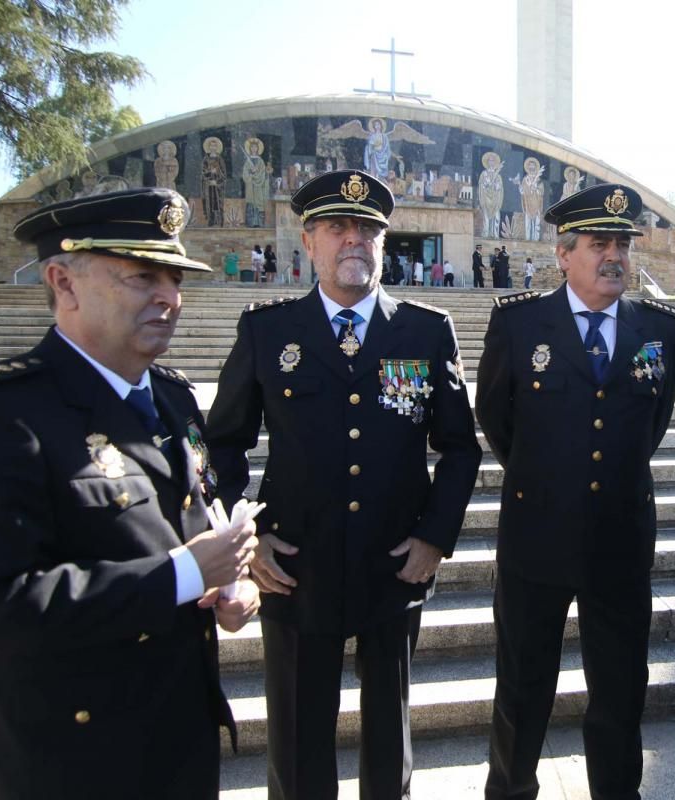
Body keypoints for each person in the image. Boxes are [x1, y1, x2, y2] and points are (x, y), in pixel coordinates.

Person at [0, 187, 261, 799]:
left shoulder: (170, 398)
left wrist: (232, 583)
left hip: (180, 740)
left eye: (174, 278)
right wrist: (182, 575)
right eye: (142, 277)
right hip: (73, 760)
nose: (169, 297)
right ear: (63, 282)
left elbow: (190, 524)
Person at [205, 170, 482, 800]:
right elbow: (224, 442)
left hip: (394, 565)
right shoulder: (268, 332)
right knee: (299, 745)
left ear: (384, 242)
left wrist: (434, 538)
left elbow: (460, 448)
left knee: (390, 738)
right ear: (308, 241)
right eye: (338, 227)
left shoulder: (425, 330)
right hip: (297, 566)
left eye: (368, 229)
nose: (353, 240)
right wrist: (249, 543)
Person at [476, 184, 675, 800]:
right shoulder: (518, 323)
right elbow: (496, 419)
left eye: (622, 243)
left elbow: (653, 423)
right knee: (521, 687)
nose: (614, 255)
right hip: (536, 537)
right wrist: (549, 480)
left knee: (620, 691)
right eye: (600, 244)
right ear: (564, 254)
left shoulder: (659, 328)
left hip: (619, 540)